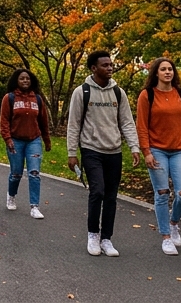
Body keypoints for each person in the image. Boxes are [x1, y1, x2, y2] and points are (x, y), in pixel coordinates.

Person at [66, 51, 141, 257]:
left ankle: (106, 238)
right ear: (93, 68)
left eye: (111, 64)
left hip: (114, 150)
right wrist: (72, 153)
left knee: (111, 196)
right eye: (105, 65)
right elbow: (73, 124)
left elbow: (126, 121)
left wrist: (134, 147)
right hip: (91, 149)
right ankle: (93, 234)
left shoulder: (118, 92)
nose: (110, 68)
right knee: (97, 191)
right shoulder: (82, 92)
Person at [137, 57, 181, 255]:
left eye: (170, 69)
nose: (167, 72)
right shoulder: (147, 95)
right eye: (163, 69)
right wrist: (146, 152)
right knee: (162, 193)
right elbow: (142, 126)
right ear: (156, 72)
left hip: (179, 150)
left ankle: (174, 223)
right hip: (156, 150)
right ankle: (165, 237)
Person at [0, 69, 51, 219]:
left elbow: (43, 122)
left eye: (27, 79)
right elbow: (4, 122)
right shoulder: (9, 98)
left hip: (34, 140)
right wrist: (8, 139)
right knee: (16, 173)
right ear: (16, 80)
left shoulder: (37, 99)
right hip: (15, 140)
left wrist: (46, 140)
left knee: (34, 173)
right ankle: (11, 195)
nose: (25, 81)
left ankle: (34, 206)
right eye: (22, 79)